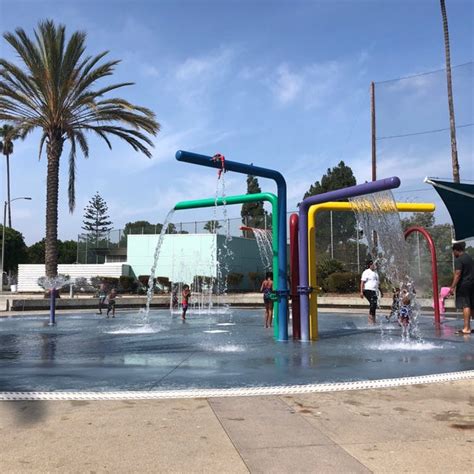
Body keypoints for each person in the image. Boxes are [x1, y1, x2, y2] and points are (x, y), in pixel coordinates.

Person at [449, 242, 474, 335]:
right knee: (472, 305)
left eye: (453, 252)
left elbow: (457, 274)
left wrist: (452, 287)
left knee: (466, 305)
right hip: (472, 284)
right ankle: (469, 327)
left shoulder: (459, 260)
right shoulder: (469, 257)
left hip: (464, 285)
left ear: (456, 250)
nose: (453, 254)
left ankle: (466, 328)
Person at [360, 260, 381, 325]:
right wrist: (361, 291)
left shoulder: (376, 273)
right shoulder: (366, 272)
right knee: (372, 303)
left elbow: (377, 283)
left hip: (374, 291)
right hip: (367, 290)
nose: (375, 266)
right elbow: (362, 282)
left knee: (374, 305)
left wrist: (381, 291)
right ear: (370, 265)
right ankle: (370, 321)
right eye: (373, 265)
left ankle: (373, 321)